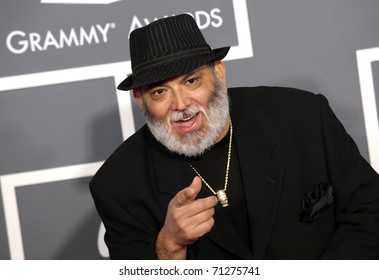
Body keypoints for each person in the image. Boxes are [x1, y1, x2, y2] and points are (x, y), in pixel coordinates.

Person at [89, 14, 379, 260]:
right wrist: (169, 245)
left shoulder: (302, 117)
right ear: (141, 101)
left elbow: (369, 210)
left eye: (191, 81)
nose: (180, 105)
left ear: (219, 74)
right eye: (159, 92)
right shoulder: (117, 185)